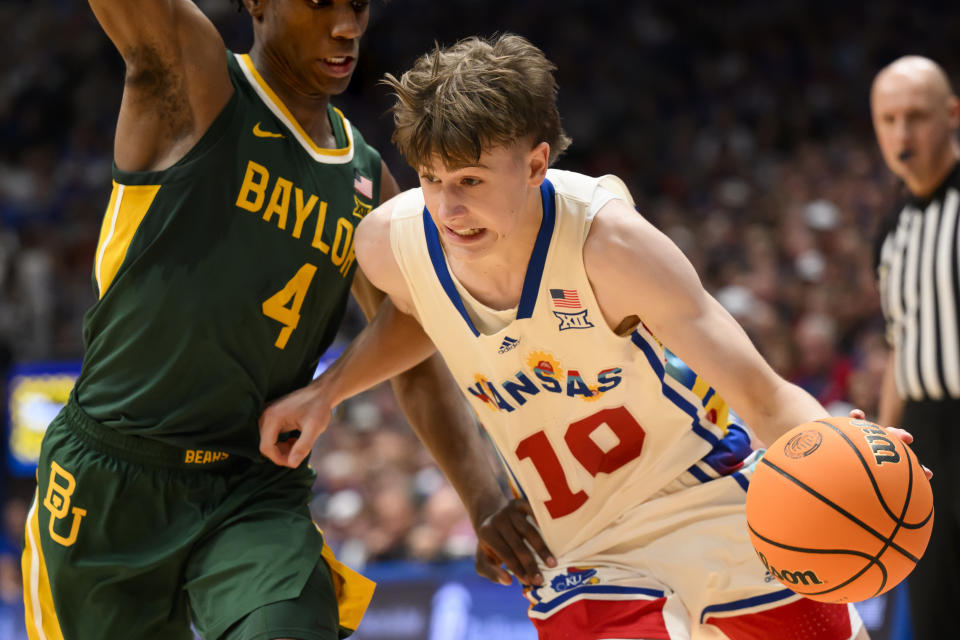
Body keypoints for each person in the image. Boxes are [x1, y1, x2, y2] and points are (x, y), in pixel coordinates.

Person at [260, 34, 928, 639]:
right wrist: (330, 391)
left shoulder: (612, 245)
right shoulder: (392, 243)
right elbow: (415, 315)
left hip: (703, 495)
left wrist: (841, 451)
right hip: (580, 546)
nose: (447, 208)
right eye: (432, 179)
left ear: (534, 164)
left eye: (469, 181)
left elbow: (763, 394)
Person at [21, 3, 541, 639]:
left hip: (250, 489)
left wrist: (483, 497)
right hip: (112, 476)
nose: (346, 26)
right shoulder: (198, 80)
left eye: (357, 5)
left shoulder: (366, 178)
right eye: (320, 3)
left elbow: (417, 327)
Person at [871, 55, 960, 640]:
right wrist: (882, 451)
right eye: (889, 119)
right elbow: (901, 350)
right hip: (927, 442)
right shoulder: (890, 231)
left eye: (917, 117)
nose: (903, 134)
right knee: (932, 619)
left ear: (952, 115)